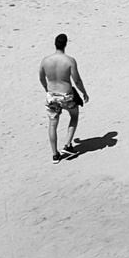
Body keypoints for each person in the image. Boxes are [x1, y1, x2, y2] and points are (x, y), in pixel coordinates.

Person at [40, 33, 88, 164]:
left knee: (52, 125)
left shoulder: (45, 60)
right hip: (66, 95)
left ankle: (55, 155)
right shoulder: (69, 60)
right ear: (66, 44)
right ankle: (68, 145)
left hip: (52, 96)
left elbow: (41, 78)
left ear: (55, 44)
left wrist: (46, 88)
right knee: (74, 116)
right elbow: (76, 80)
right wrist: (84, 92)